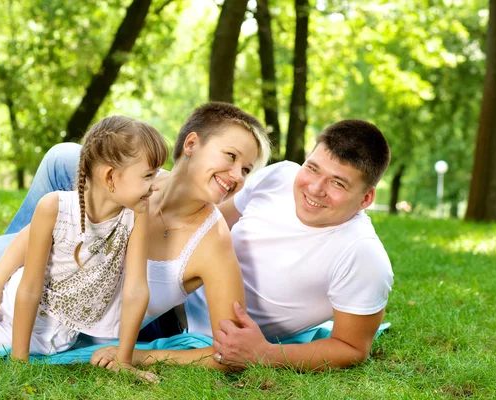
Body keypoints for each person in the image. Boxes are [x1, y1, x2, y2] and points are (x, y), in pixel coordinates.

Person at [0, 102, 271, 370]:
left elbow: (230, 352)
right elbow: (46, 229)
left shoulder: (211, 244)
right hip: (27, 269)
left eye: (246, 169)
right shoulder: (132, 184)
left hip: (58, 319)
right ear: (191, 144)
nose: (237, 175)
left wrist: (137, 356)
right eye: (230, 156)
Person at [91, 119, 394, 372]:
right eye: (313, 168)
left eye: (338, 184)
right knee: (67, 159)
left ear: (366, 199)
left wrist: (264, 353)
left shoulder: (362, 255)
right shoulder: (280, 175)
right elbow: (207, 221)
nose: (315, 189)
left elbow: (352, 347)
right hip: (169, 282)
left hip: (187, 332)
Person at [0, 115, 169, 380]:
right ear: (110, 176)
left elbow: (135, 289)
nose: (154, 184)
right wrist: (19, 362)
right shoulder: (54, 207)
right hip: (6, 301)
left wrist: (124, 360)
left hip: (37, 335)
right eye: (149, 175)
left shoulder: (136, 215)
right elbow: (30, 287)